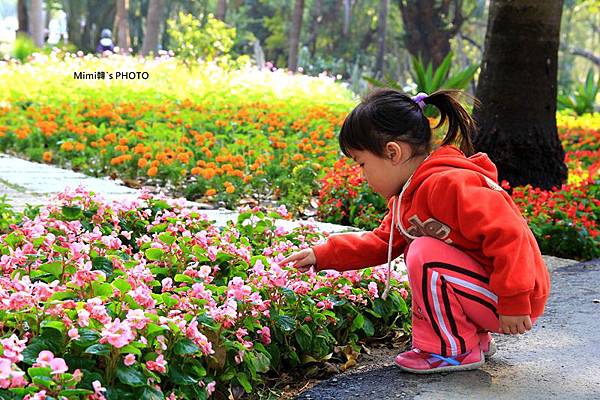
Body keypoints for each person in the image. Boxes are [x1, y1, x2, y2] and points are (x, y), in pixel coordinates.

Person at [280, 89, 550, 374]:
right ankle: (473, 340)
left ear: (393, 152)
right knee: (424, 250)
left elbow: (508, 233)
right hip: (491, 294)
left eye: (362, 164)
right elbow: (381, 241)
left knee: (424, 251)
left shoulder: (448, 184)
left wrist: (514, 300)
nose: (362, 176)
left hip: (514, 300)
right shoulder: (406, 198)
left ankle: (452, 350)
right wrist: (321, 255)